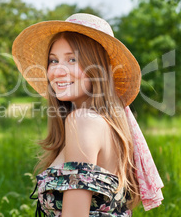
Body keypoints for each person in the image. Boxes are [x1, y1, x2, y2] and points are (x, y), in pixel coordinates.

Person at [12, 13, 164, 216]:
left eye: (72, 59)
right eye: (53, 61)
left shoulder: (83, 121)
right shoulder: (104, 123)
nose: (58, 71)